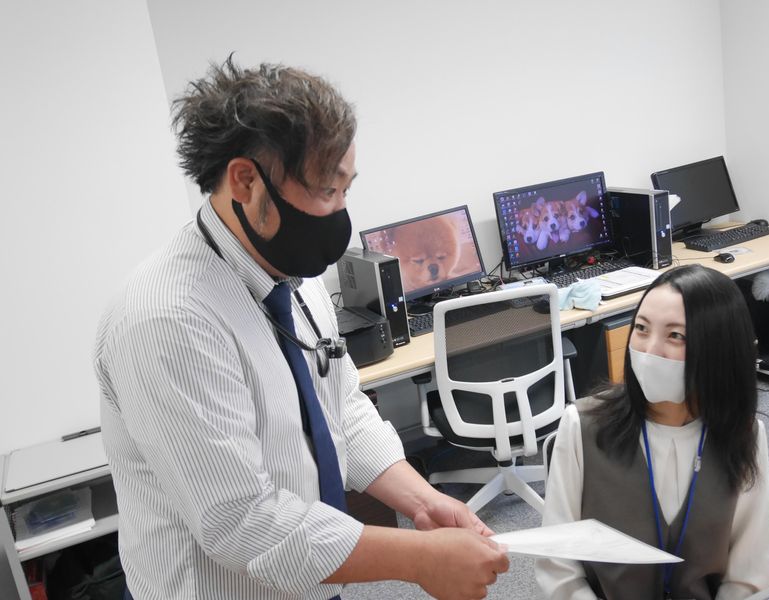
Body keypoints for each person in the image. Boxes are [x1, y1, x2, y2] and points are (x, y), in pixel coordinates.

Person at [94, 57, 508, 600]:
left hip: (311, 573)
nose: (340, 213)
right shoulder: (166, 320)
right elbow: (241, 520)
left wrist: (422, 500)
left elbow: (342, 409)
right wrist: (420, 559)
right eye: (327, 191)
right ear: (246, 181)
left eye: (346, 190)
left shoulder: (296, 277)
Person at [535, 264, 769, 599]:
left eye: (675, 336)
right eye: (641, 328)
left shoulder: (744, 433)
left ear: (719, 348)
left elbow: (751, 575)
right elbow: (558, 570)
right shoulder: (582, 426)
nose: (649, 351)